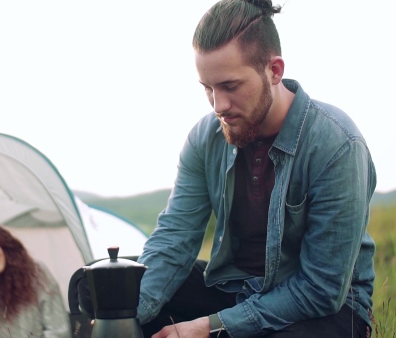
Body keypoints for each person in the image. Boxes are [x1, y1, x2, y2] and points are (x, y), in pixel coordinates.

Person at [128, 0, 377, 337]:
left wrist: (210, 327)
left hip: (320, 309)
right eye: (208, 89)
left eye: (230, 87)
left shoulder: (336, 145)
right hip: (233, 289)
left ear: (274, 71)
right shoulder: (205, 138)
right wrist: (126, 318)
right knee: (112, 285)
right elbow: (175, 238)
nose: (218, 105)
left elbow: (321, 290)